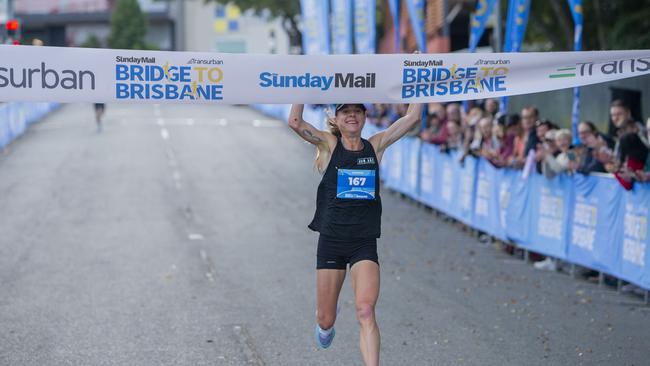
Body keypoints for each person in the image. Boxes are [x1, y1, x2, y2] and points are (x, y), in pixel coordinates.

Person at [288, 103, 422, 366]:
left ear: (364, 117)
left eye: (357, 111)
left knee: (366, 310)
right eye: (345, 111)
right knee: (325, 320)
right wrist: (300, 81)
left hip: (363, 242)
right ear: (336, 119)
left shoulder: (376, 146)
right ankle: (326, 322)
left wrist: (418, 75)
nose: (352, 115)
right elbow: (295, 121)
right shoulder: (329, 146)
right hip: (332, 241)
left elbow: (413, 116)